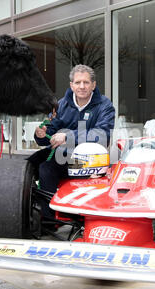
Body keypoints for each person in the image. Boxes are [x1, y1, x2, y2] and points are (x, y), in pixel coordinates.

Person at [27, 64, 115, 221]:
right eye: (78, 82)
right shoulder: (61, 105)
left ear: (93, 85)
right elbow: (49, 130)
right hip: (62, 154)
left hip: (90, 159)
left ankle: (67, 216)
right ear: (71, 85)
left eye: (86, 82)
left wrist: (68, 136)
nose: (82, 86)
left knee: (46, 168)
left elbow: (102, 135)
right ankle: (45, 218)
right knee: (27, 166)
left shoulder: (105, 105)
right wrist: (41, 134)